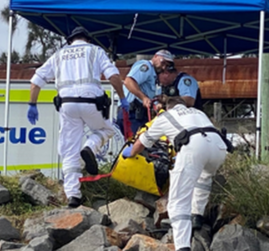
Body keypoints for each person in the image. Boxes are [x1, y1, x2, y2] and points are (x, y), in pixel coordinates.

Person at [27, 26, 129, 208]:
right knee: (106, 129)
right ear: (87, 39)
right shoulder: (95, 50)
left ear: (70, 41)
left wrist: (32, 105)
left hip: (67, 105)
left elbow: (35, 82)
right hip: (92, 102)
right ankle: (90, 147)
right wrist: (122, 97)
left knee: (69, 149)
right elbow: (113, 76)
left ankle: (73, 195)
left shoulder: (58, 55)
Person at [122, 97, 227, 251]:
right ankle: (197, 215)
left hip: (194, 146)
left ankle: (183, 246)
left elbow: (142, 142)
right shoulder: (198, 112)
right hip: (219, 147)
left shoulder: (166, 116)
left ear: (167, 107)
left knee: (177, 203)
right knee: (204, 176)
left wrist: (130, 152)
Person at [116, 50, 174, 135]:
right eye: (163, 62)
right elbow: (128, 82)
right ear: (155, 56)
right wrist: (143, 98)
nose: (164, 67)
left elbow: (151, 95)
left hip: (140, 116)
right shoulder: (146, 67)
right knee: (135, 145)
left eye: (167, 65)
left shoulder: (154, 75)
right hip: (131, 114)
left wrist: (157, 103)